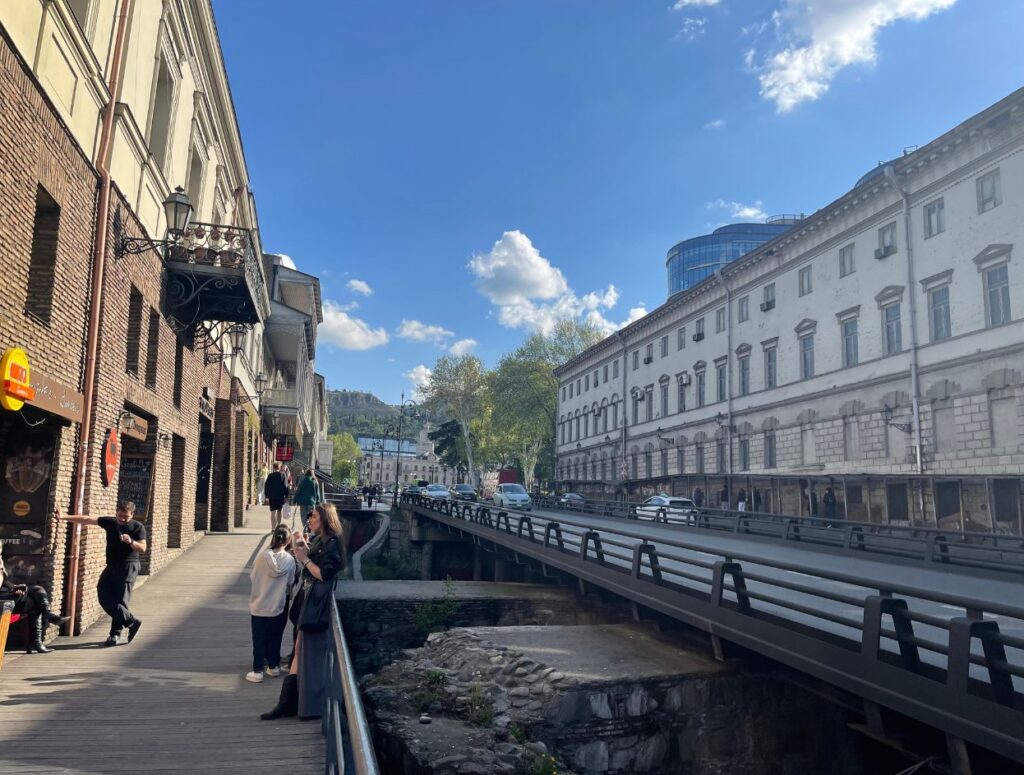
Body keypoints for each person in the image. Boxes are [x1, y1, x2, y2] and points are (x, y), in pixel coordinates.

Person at [261, 503, 345, 721]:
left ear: (325, 519)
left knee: (303, 649)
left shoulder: (331, 543)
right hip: (309, 599)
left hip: (316, 602)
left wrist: (304, 559)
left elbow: (325, 574)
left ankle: (296, 704)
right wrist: (304, 549)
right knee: (298, 648)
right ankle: (289, 703)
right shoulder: (321, 539)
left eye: (314, 516)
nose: (310, 519)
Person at [58, 501, 146, 646]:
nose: (122, 519)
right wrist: (63, 517)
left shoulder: (137, 527)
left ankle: (114, 635)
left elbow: (142, 548)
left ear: (132, 514)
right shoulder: (110, 522)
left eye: (126, 517)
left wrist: (131, 541)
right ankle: (131, 622)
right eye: (120, 515)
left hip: (128, 566)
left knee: (120, 600)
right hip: (112, 565)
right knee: (103, 593)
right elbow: (86, 519)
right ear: (116, 512)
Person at [247, 525, 296, 683]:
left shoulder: (262, 557)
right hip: (278, 605)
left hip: (259, 604)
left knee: (259, 638)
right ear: (288, 541)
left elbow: (253, 576)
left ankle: (258, 671)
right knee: (276, 636)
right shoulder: (290, 560)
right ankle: (274, 667)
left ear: (274, 538)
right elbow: (290, 582)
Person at [0, 540, 69, 654]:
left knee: (35, 600)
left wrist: (14, 588)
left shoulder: (0, 562)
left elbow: (4, 581)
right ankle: (42, 632)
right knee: (36, 596)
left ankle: (38, 639)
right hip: (3, 600)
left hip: (6, 596)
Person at [264, 463, 289, 530]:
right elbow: (286, 486)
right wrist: (286, 495)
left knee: (273, 512)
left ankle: (273, 528)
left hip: (272, 496)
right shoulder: (283, 475)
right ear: (279, 467)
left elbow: (266, 486)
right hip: (280, 496)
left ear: (274, 467)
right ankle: (278, 526)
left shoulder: (270, 475)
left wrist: (266, 496)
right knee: (279, 512)